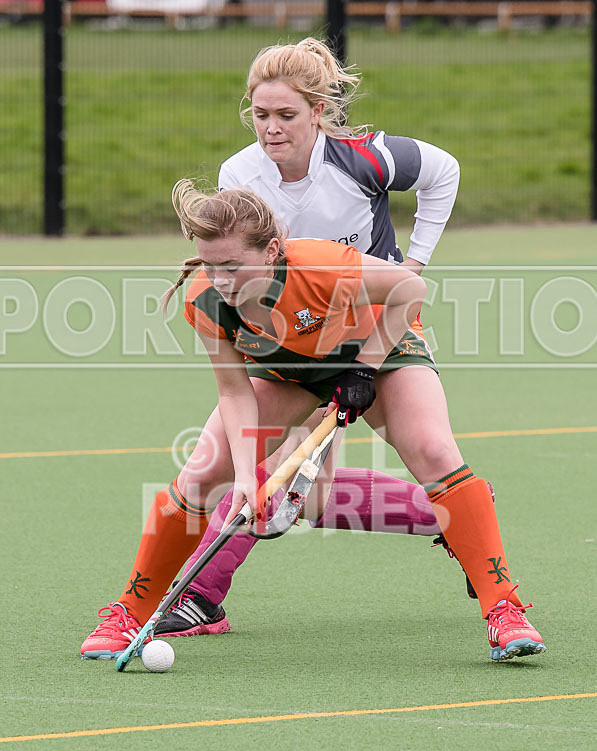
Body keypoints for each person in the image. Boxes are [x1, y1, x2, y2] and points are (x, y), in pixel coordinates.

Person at [81, 183, 546, 663]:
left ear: (272, 251)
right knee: (202, 474)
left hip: (380, 352)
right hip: (291, 372)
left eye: (233, 266)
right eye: (209, 264)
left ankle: (504, 611)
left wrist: (364, 369)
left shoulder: (321, 267)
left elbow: (411, 290)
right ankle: (129, 614)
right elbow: (234, 391)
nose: (219, 279)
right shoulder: (206, 300)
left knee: (434, 452)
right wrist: (244, 476)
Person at [151, 36, 469, 639]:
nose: (270, 128)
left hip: (377, 325)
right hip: (291, 333)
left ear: (319, 111)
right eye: (260, 114)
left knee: (279, 476)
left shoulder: (364, 160)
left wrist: (415, 264)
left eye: (286, 115)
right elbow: (264, 268)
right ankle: (450, 516)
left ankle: (200, 595)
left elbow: (444, 171)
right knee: (308, 494)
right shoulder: (238, 174)